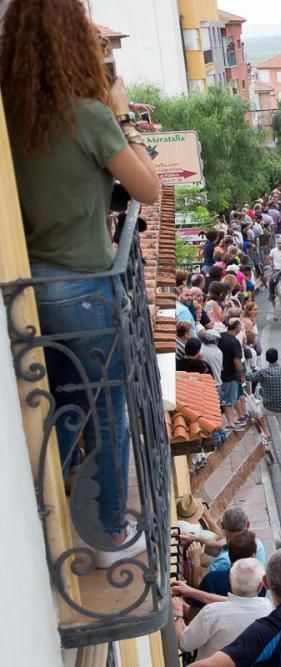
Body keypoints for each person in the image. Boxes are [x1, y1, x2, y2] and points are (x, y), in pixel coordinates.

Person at [2, 0, 162, 568]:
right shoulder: (86, 114)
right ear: (73, 42)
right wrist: (122, 118)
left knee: (62, 404)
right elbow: (148, 190)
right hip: (83, 285)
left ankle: (33, 508)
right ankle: (108, 533)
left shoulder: (9, 113)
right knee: (107, 407)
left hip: (25, 288)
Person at [246, 349, 281, 469]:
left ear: (267, 359)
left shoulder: (263, 373)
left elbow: (248, 377)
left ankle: (265, 433)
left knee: (254, 409)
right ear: (277, 358)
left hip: (267, 407)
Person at [218, 318, 248, 432]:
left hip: (222, 372)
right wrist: (241, 375)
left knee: (228, 399)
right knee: (229, 399)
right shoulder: (235, 342)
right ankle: (230, 423)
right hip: (231, 374)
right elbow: (237, 361)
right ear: (237, 327)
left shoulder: (221, 337)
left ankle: (232, 421)